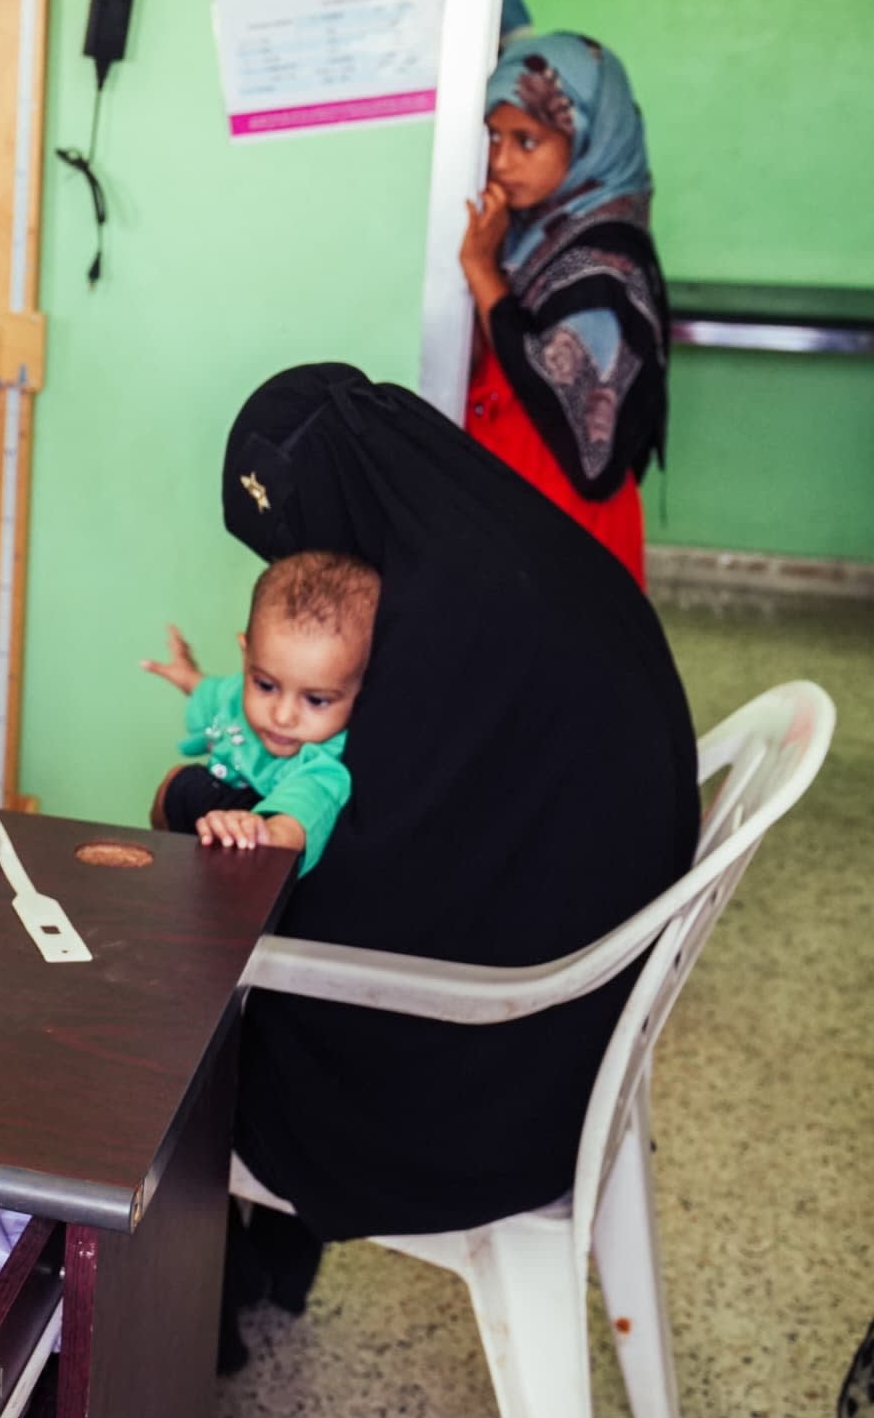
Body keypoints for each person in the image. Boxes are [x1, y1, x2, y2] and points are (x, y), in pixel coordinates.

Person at [215, 364, 696, 1343]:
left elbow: (374, 879)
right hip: (579, 1015)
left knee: (173, 1040)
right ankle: (252, 1275)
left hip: (508, 1081)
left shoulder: (440, 623)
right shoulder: (489, 540)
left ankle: (169, 1336)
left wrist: (203, 805)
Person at [459, 32, 670, 587]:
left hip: (568, 536)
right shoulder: (525, 237)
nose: (501, 161)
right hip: (510, 515)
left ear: (589, 142)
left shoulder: (608, 265)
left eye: (527, 141)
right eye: (493, 137)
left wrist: (482, 273)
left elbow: (584, 440)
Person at [139, 551, 378, 874]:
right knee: (175, 787)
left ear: (361, 691)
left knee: (180, 784)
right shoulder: (240, 692)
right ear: (246, 655)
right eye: (266, 685)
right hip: (211, 831)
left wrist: (266, 832)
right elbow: (217, 693)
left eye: (316, 700)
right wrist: (189, 678)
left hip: (260, 845)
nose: (282, 716)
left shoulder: (324, 759)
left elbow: (307, 804)